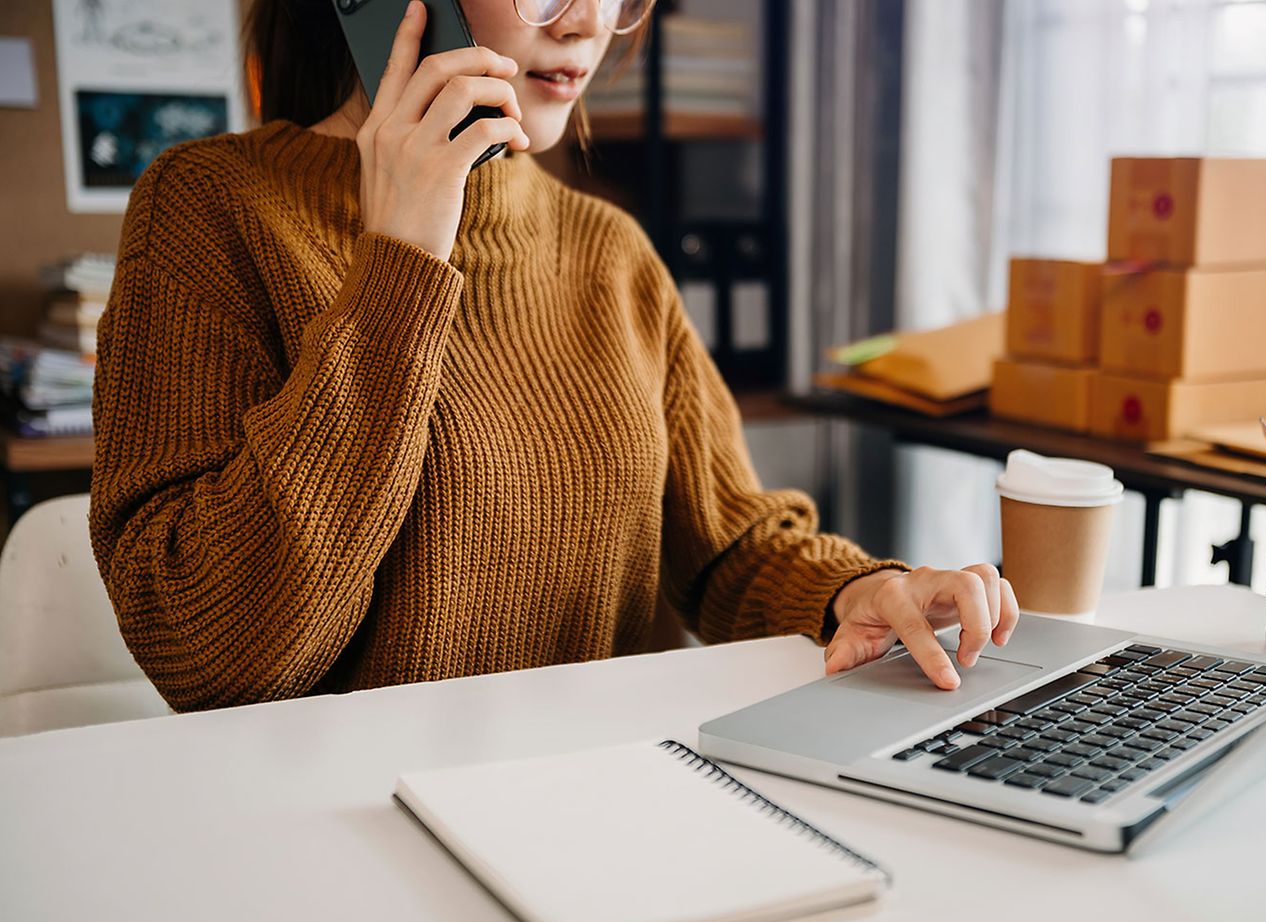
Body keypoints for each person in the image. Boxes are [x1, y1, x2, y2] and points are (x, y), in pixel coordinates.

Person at [89, 0, 1018, 713]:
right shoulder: (210, 206)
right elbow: (208, 654)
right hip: (336, 844)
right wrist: (402, 260)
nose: (586, 22)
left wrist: (863, 591)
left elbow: (730, 550)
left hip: (592, 812)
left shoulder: (606, 248)